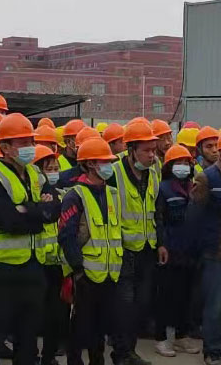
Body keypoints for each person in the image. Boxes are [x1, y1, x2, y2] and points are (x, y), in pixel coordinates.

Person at [0, 113, 61, 364]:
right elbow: (8, 221)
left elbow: (54, 209)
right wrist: (38, 210)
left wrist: (26, 209)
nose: (29, 147)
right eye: (23, 143)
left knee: (28, 339)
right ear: (5, 147)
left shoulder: (36, 174)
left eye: (31, 142)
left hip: (33, 268)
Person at [58, 137, 123, 365]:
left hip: (110, 273)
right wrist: (78, 270)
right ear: (90, 164)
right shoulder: (75, 195)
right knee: (80, 327)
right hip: (85, 274)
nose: (108, 166)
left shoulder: (112, 193)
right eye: (104, 161)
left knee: (100, 328)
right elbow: (66, 236)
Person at [109, 122, 160, 365]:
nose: (152, 155)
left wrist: (161, 242)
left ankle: (129, 350)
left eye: (154, 150)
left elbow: (157, 209)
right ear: (131, 150)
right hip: (122, 250)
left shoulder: (154, 170)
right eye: (146, 150)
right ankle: (122, 353)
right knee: (124, 306)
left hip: (146, 249)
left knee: (141, 304)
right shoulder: (114, 172)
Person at [153, 145, 200, 358]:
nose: (183, 166)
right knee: (166, 296)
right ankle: (161, 338)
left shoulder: (194, 187)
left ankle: (182, 336)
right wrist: (161, 244)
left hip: (190, 251)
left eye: (186, 163)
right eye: (178, 163)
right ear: (169, 166)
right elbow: (159, 219)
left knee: (186, 296)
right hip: (170, 250)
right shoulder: (163, 189)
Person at [187, 136, 221, 365]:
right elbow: (194, 218)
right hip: (214, 253)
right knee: (215, 306)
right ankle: (212, 350)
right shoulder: (207, 178)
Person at [32, 144, 66, 365]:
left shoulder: (62, 195)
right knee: (33, 315)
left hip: (57, 264)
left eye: (56, 168)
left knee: (55, 313)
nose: (53, 173)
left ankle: (49, 356)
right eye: (48, 169)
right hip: (35, 263)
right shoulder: (30, 196)